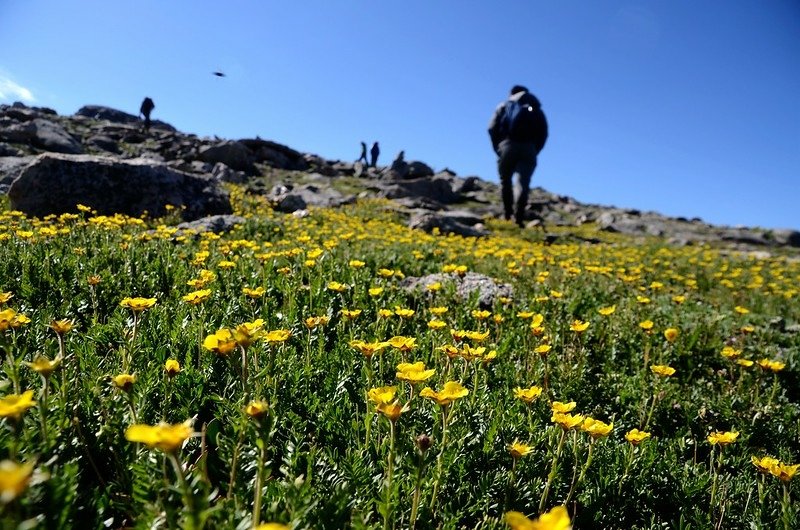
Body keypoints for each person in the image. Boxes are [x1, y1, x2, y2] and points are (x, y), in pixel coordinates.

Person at [488, 85, 548, 227]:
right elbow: (544, 133)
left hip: (507, 145)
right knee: (522, 183)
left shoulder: (505, 105)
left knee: (505, 181)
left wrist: (498, 147)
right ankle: (519, 218)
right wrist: (534, 149)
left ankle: (508, 215)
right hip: (529, 148)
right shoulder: (536, 109)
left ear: (512, 93)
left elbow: (491, 127)